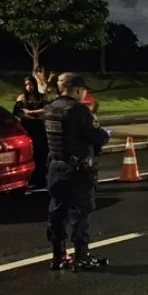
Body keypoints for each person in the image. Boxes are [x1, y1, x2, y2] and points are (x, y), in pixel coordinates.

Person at [42, 73, 110, 271]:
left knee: (56, 211)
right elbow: (98, 137)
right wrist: (104, 134)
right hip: (77, 170)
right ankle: (81, 256)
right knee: (80, 212)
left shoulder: (50, 108)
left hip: (55, 167)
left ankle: (57, 256)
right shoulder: (78, 110)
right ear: (78, 89)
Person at [14, 76, 49, 188]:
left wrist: (31, 112)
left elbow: (47, 109)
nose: (29, 87)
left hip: (39, 127)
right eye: (26, 85)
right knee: (30, 152)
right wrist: (28, 115)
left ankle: (42, 178)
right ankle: (31, 178)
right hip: (27, 127)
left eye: (30, 84)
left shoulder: (42, 97)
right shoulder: (22, 97)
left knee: (41, 152)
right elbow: (18, 112)